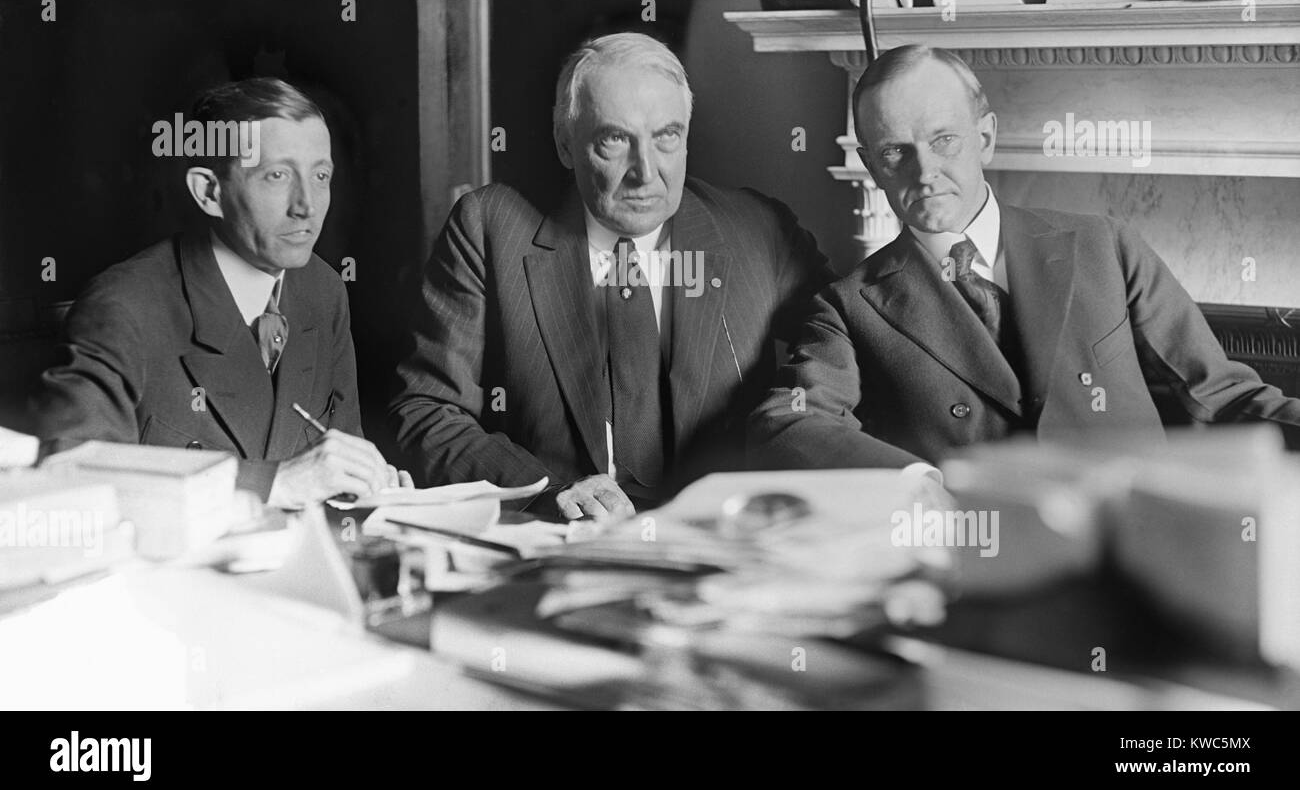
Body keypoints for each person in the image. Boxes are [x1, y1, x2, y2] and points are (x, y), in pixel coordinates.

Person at [749, 45, 1300, 470]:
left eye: (945, 141)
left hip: (1136, 542)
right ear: (871, 164)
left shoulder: (1105, 245)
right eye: (897, 151)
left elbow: (1223, 396)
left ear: (985, 136)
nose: (925, 172)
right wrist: (918, 486)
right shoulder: (847, 306)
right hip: (980, 558)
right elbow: (788, 419)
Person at [390, 32, 834, 521]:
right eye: (615, 139)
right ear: (566, 144)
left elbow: (839, 339)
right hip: (559, 539)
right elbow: (428, 410)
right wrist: (542, 490)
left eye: (666, 136)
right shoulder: (489, 226)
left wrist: (785, 421)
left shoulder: (759, 230)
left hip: (724, 539)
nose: (645, 172)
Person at [33, 77, 410, 509]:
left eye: (321, 175)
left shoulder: (323, 291)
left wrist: (365, 485)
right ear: (210, 192)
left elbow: (338, 457)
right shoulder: (123, 306)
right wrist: (273, 484)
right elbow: (67, 479)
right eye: (277, 175)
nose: (306, 204)